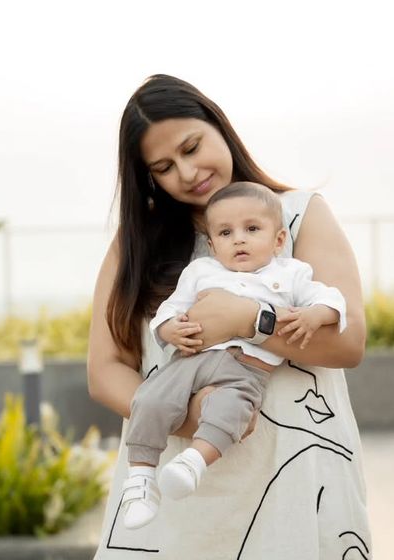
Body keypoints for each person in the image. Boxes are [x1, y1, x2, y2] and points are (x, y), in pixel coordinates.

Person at [88, 74, 372, 559]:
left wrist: (246, 319)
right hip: (176, 490)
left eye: (193, 146)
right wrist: (192, 417)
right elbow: (105, 370)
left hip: (295, 479)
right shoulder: (137, 247)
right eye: (164, 166)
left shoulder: (297, 217)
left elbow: (349, 343)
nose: (187, 170)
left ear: (218, 124)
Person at [122, 181, 347, 530]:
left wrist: (315, 315)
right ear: (212, 246)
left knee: (233, 409)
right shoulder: (201, 272)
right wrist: (169, 330)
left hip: (245, 369)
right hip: (191, 359)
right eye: (226, 233)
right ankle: (141, 478)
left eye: (252, 229)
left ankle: (194, 461)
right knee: (151, 397)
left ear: (279, 240)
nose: (239, 239)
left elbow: (333, 300)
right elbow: (169, 311)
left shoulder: (291, 274)